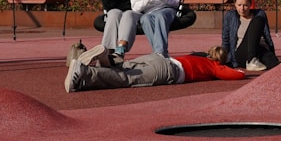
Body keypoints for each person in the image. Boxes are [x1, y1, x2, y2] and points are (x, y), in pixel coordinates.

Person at [64, 43, 246, 92]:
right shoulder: (214, 66)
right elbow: (235, 75)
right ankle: (85, 72)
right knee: (127, 79)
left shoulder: (197, 55)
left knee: (122, 68)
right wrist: (239, 70)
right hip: (168, 72)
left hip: (159, 58)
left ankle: (105, 57)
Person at [221, 0, 279, 72]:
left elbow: (267, 37)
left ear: (250, 4)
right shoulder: (230, 16)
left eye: (245, 5)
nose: (242, 8)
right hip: (241, 54)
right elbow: (225, 40)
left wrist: (272, 52)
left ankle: (279, 66)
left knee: (268, 57)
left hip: (259, 50)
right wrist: (223, 58)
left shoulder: (259, 14)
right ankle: (251, 60)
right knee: (258, 20)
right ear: (235, 5)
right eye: (239, 5)